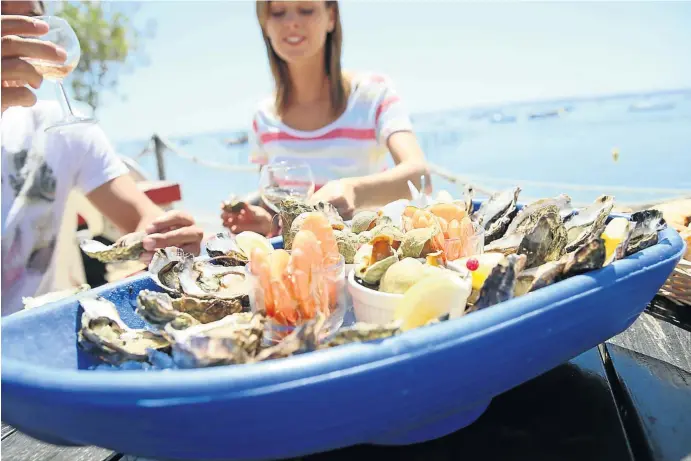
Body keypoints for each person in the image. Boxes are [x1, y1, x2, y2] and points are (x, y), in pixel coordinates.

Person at [1, 1, 204, 316]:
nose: (16, 38)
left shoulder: (63, 129)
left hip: (40, 336)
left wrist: (165, 239)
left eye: (29, 22)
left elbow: (140, 217)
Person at [221, 0, 431, 236]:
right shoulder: (263, 117)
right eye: (278, 12)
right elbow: (279, 212)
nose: (291, 22)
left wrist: (352, 190)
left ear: (331, 17)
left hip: (367, 259)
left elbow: (420, 176)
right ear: (265, 24)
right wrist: (265, 223)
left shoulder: (372, 93)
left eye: (306, 10)